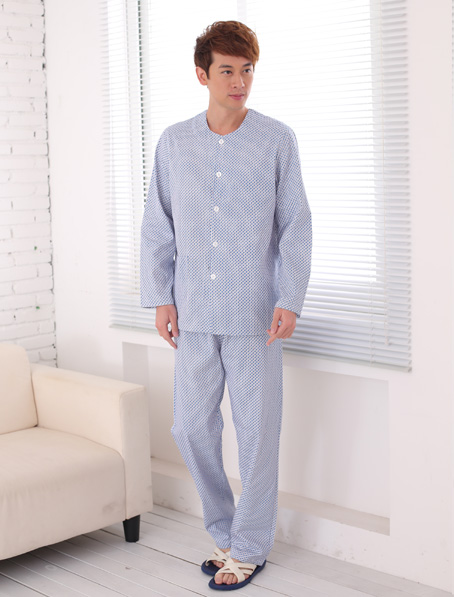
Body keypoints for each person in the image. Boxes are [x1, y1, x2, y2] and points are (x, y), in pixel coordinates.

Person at [140, 20, 312, 591]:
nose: (239, 81)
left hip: (256, 316)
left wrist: (290, 296)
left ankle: (250, 547)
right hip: (192, 313)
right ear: (202, 74)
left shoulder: (276, 139)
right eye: (227, 70)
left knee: (257, 435)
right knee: (189, 428)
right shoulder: (174, 143)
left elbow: (295, 224)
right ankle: (225, 532)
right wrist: (160, 297)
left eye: (247, 70)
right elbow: (158, 227)